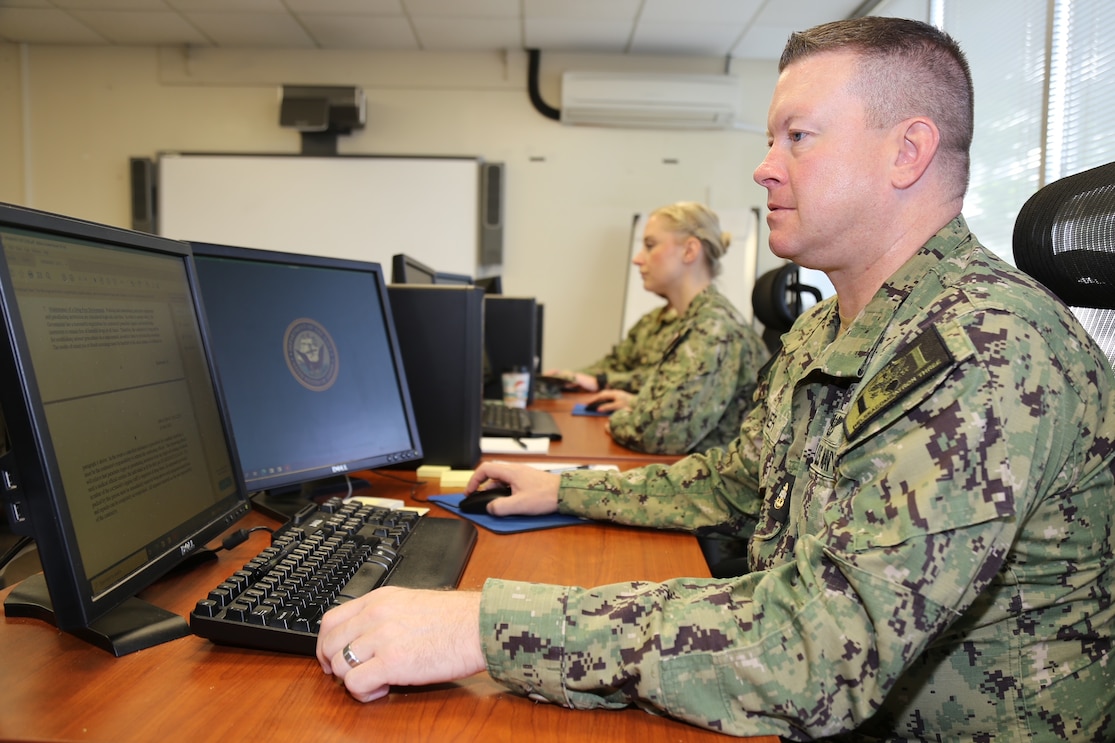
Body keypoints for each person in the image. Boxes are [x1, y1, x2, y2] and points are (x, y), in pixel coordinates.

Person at [316, 16, 1115, 741]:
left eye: (797, 137)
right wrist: (562, 489)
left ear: (905, 151)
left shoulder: (983, 346)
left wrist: (480, 628)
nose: (765, 169)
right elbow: (732, 486)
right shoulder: (824, 329)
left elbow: (818, 647)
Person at [548, 202, 769, 454]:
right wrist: (637, 405)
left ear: (689, 251)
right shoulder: (697, 319)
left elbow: (659, 434)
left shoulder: (713, 328)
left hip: (715, 483)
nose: (637, 258)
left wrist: (626, 417)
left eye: (650, 246)